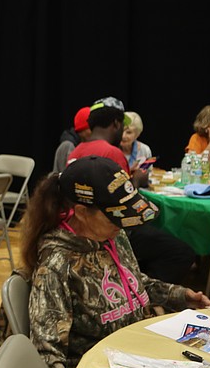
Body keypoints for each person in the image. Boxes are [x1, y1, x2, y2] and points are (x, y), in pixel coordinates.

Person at [23, 156, 210, 368]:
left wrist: (181, 295)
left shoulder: (113, 236)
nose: (122, 225)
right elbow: (47, 355)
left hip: (134, 360)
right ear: (80, 212)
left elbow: (134, 282)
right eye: (115, 217)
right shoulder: (56, 265)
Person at [69, 96, 196, 284]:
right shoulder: (112, 153)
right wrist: (136, 180)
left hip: (81, 228)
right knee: (181, 252)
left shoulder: (76, 150)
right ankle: (142, 293)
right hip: (109, 231)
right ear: (115, 124)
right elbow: (124, 205)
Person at [52, 106, 91, 173]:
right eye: (91, 129)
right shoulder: (68, 146)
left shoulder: (85, 145)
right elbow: (66, 177)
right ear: (83, 129)